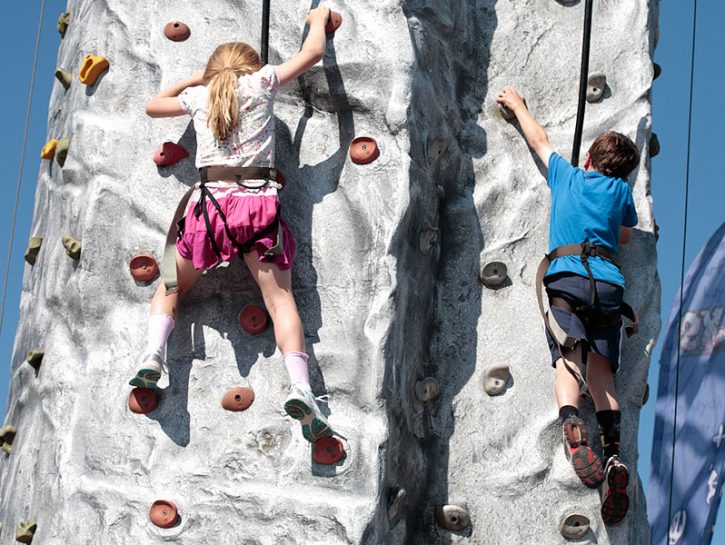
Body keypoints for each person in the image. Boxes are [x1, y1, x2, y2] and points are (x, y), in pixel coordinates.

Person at [128, 5, 334, 444]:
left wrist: (196, 81)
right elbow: (313, 51)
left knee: (168, 288)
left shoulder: (200, 99)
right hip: (257, 206)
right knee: (280, 303)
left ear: (212, 73)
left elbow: (152, 105)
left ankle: (152, 355)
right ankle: (301, 387)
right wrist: (319, 18)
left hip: (209, 210)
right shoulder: (262, 83)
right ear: (251, 67)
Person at [496, 87, 640, 525]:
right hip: (609, 286)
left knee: (568, 354)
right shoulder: (619, 195)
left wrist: (519, 104)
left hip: (567, 276)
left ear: (589, 160)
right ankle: (613, 455)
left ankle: (571, 422)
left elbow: (539, 141)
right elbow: (625, 236)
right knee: (602, 368)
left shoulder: (569, 178)